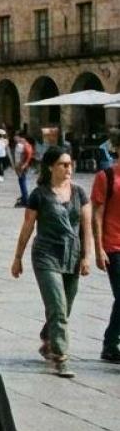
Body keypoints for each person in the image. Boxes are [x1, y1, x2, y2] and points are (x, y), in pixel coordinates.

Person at [11, 147, 95, 379]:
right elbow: (27, 226)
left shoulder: (79, 193)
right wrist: (18, 257)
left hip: (72, 256)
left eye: (70, 164)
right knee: (58, 308)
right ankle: (61, 357)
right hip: (46, 255)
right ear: (51, 167)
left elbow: (86, 227)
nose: (69, 168)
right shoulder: (39, 194)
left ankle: (48, 337)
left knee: (65, 307)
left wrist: (87, 256)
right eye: (63, 164)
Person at [95, 150, 120, 362]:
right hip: (114, 246)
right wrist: (98, 248)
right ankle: (110, 342)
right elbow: (97, 214)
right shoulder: (107, 177)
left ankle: (111, 342)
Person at [12, 129, 36, 207]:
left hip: (22, 166)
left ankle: (25, 199)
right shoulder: (21, 144)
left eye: (16, 136)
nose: (14, 137)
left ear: (20, 137)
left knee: (23, 182)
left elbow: (29, 154)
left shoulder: (24, 144)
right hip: (20, 165)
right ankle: (24, 197)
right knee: (22, 181)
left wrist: (24, 165)